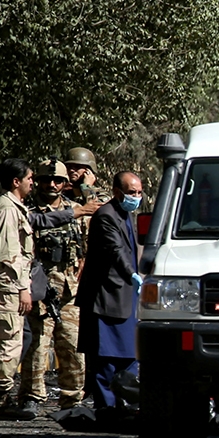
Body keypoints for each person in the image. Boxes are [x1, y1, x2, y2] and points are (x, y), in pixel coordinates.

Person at [17, 159, 89, 415]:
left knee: (72, 346)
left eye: (57, 180)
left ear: (65, 183)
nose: (51, 185)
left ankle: (72, 399)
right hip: (40, 289)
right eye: (46, 180)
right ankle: (32, 396)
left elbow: (87, 245)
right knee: (37, 345)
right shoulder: (27, 210)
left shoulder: (78, 210)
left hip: (70, 290)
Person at [76, 171, 144, 412]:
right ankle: (107, 410)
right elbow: (116, 251)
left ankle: (127, 408)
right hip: (106, 298)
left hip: (126, 299)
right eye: (131, 192)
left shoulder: (126, 214)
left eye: (138, 192)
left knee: (130, 357)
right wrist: (132, 275)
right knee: (105, 360)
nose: (136, 197)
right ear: (117, 192)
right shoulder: (106, 215)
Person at [0, 159, 38, 420]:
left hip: (8, 283)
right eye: (29, 178)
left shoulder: (15, 208)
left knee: (10, 341)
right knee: (8, 344)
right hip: (7, 285)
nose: (32, 183)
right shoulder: (5, 209)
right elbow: (8, 253)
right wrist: (23, 288)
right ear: (16, 181)